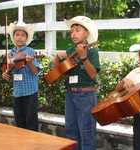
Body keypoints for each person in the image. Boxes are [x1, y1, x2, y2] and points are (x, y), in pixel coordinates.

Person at [52, 16, 100, 150]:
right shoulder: (69, 51)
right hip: (70, 95)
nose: (73, 34)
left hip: (86, 95)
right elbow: (57, 72)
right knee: (71, 130)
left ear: (87, 33)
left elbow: (93, 74)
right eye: (71, 31)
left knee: (86, 132)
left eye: (77, 30)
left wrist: (84, 58)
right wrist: (57, 58)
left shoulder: (92, 50)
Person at [2, 21, 41, 131]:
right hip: (17, 93)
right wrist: (5, 74)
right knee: (19, 123)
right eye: (17, 34)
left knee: (31, 122)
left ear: (27, 38)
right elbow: (7, 72)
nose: (19, 38)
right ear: (13, 37)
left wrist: (29, 62)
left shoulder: (30, 51)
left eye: (23, 35)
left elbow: (35, 72)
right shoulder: (10, 54)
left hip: (30, 92)